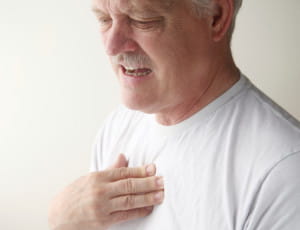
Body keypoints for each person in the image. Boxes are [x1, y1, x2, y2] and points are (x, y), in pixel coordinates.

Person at [48, 0, 300, 229]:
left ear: (216, 17)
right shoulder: (119, 124)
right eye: (104, 19)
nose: (111, 47)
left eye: (142, 20)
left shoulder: (284, 173)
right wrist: (63, 221)